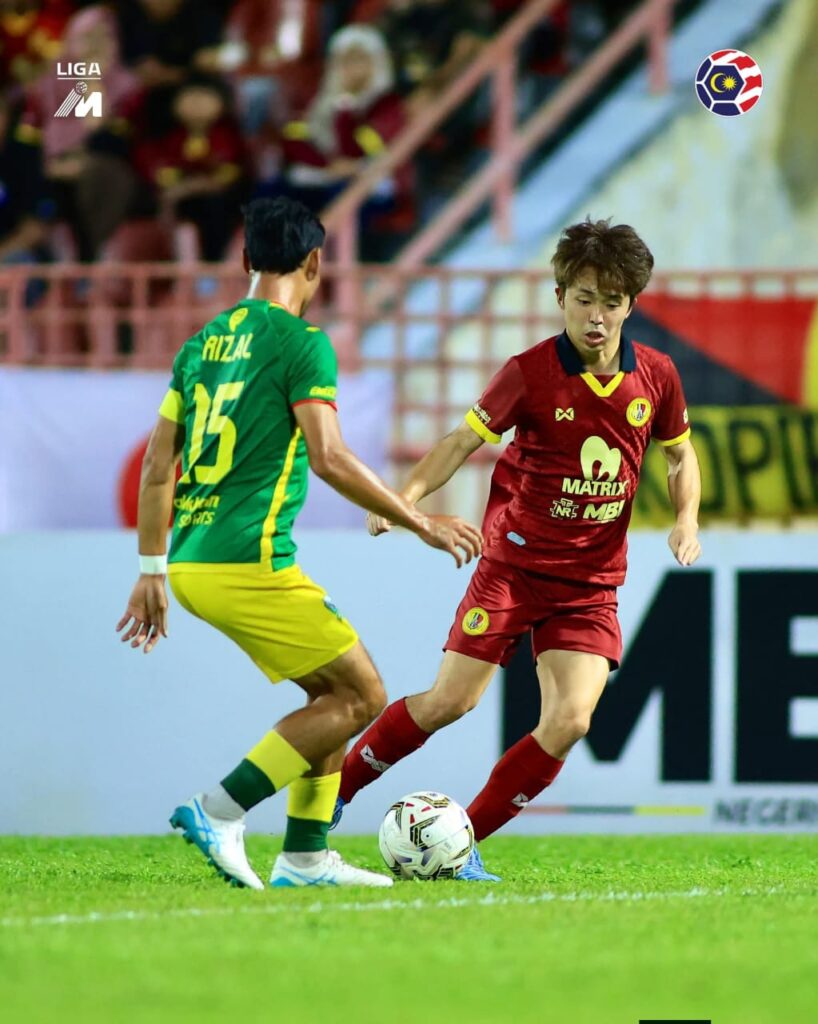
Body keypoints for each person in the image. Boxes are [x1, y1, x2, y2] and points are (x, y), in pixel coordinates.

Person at [115, 196, 482, 890]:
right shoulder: (302, 342)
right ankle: (219, 809)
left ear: (245, 259)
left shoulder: (201, 346)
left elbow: (159, 465)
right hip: (246, 560)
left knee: (331, 693)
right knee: (363, 695)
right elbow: (329, 457)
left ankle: (305, 858)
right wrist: (421, 521)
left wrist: (150, 569)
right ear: (316, 262)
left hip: (192, 560)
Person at [333, 218, 703, 880]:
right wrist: (403, 499)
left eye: (611, 301)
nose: (596, 317)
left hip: (590, 583)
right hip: (514, 568)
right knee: (450, 703)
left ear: (631, 304)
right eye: (584, 299)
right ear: (560, 297)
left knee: (571, 720)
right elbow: (459, 442)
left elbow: (681, 455)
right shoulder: (529, 373)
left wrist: (687, 519)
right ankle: (334, 792)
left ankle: (461, 843)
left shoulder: (657, 375)